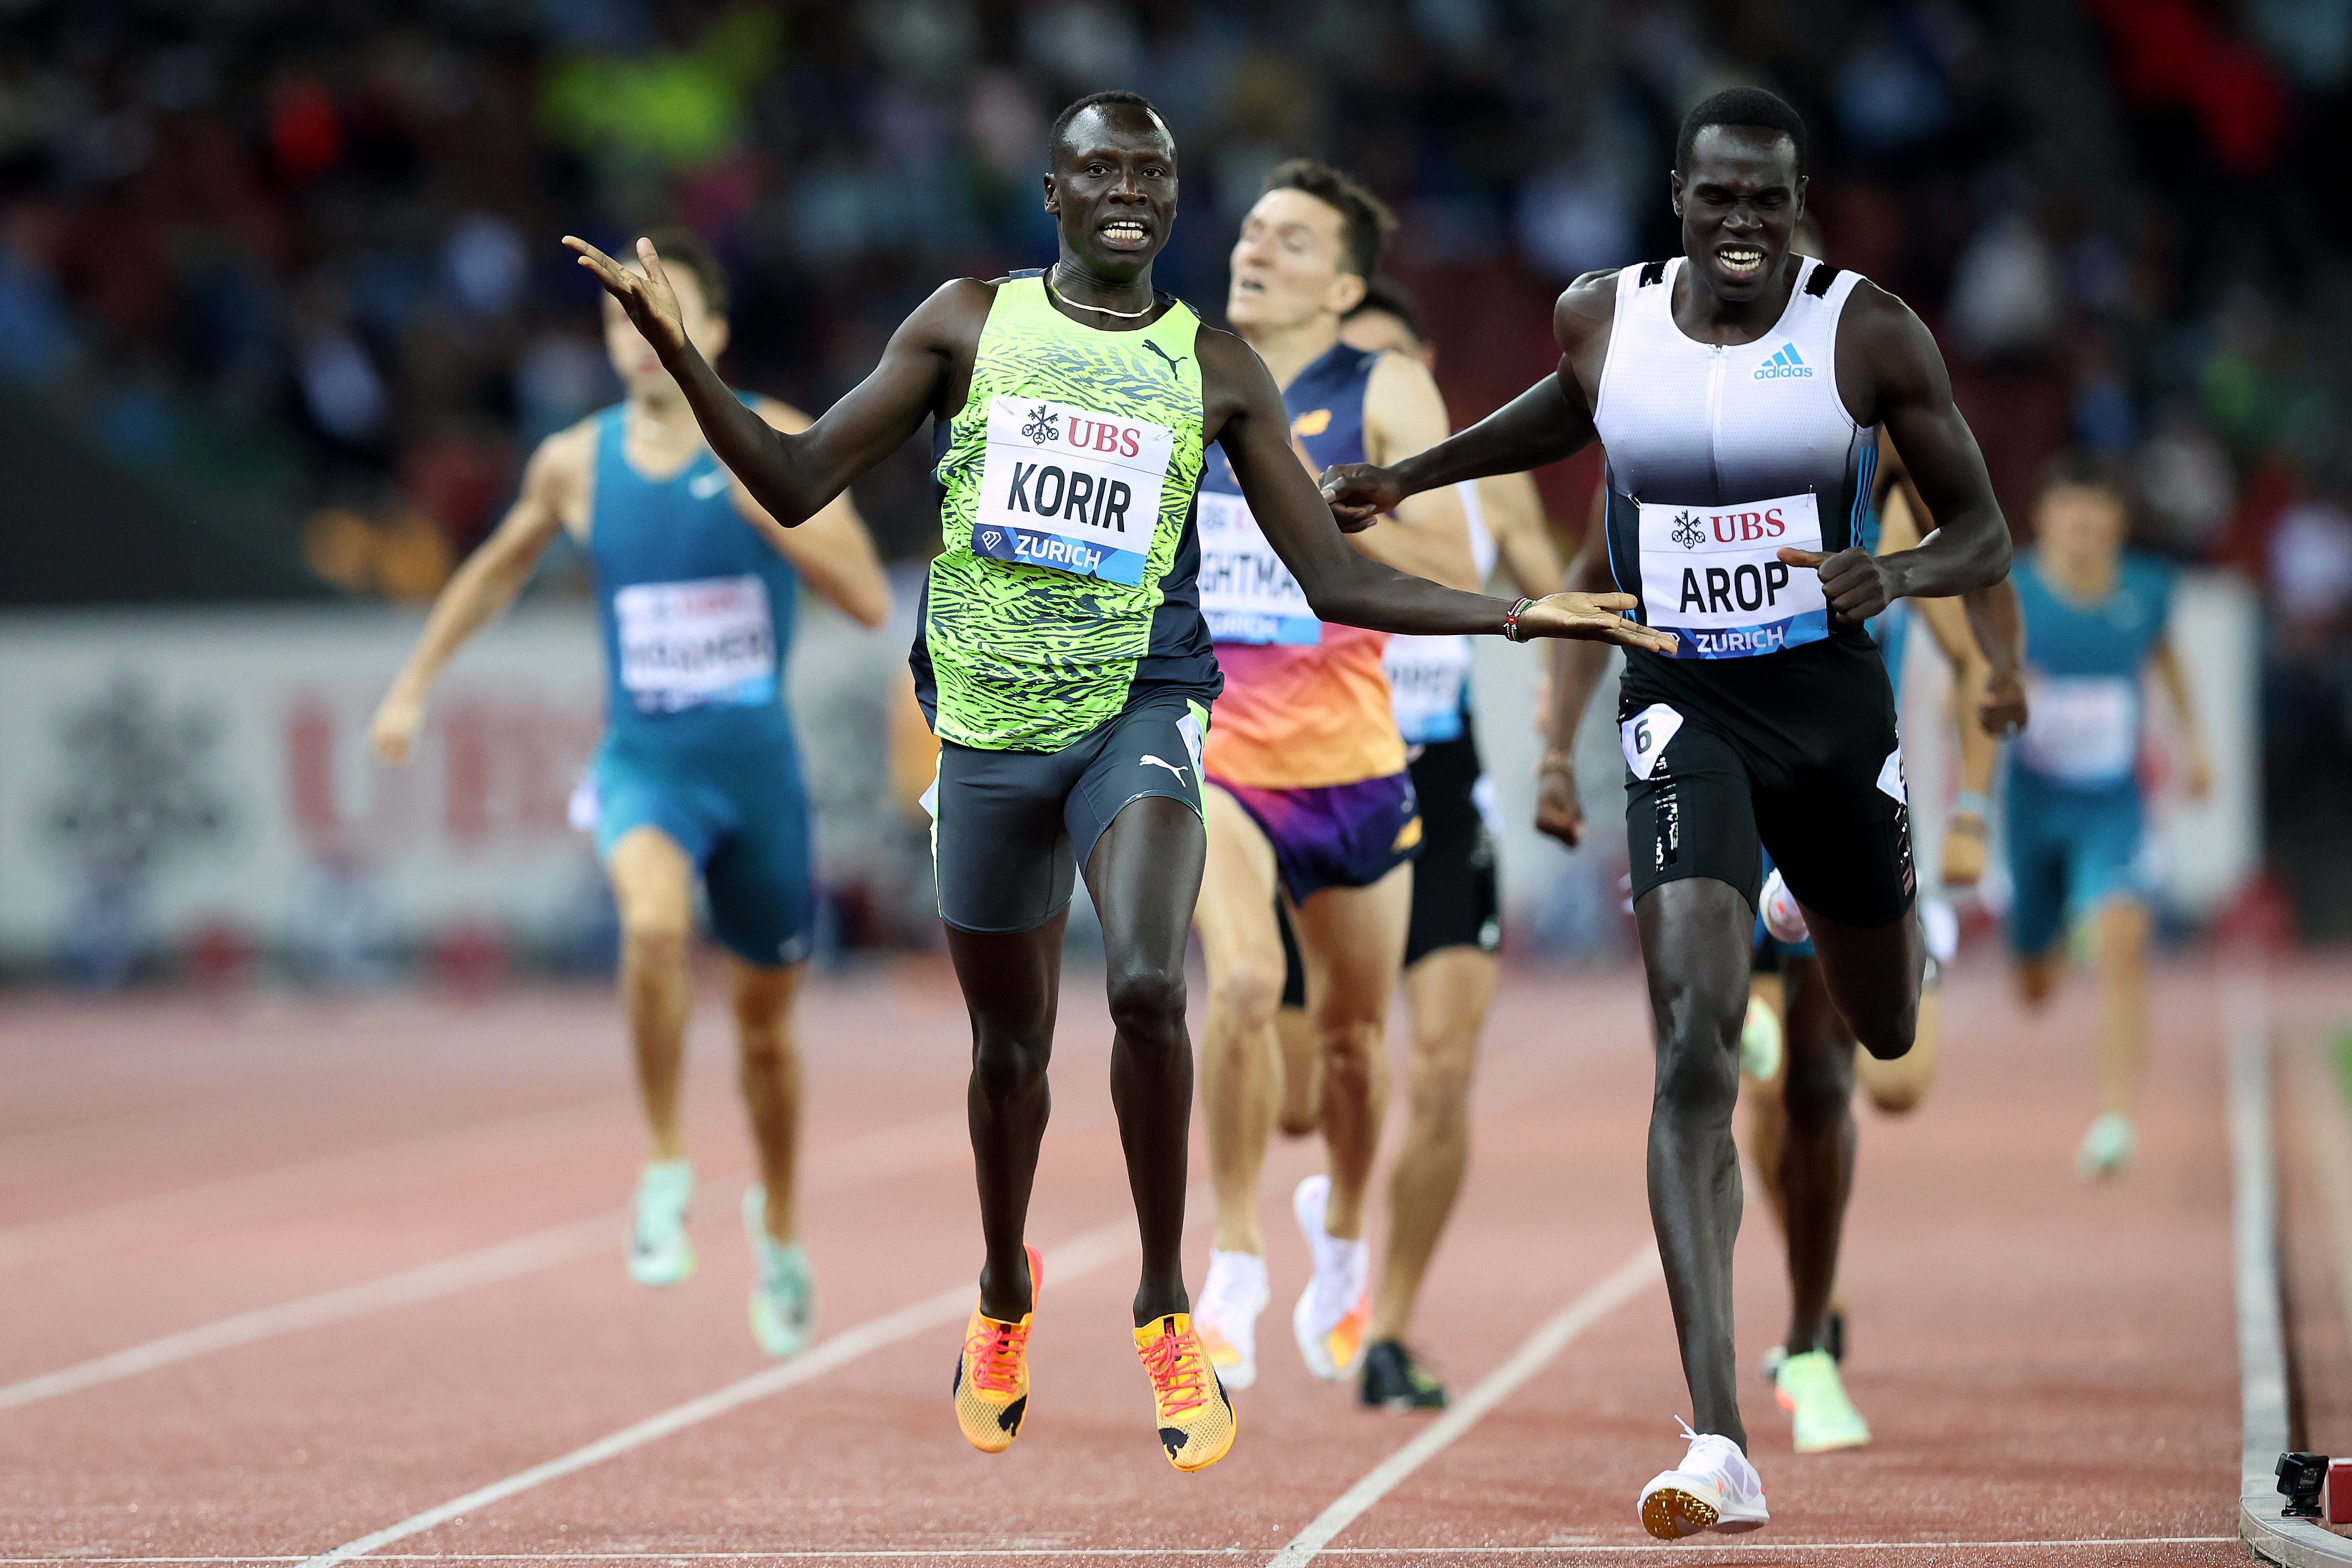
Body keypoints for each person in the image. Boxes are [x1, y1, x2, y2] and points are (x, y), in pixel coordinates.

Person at [567, 91, 1668, 1474]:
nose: (1128, 189)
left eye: (1151, 169)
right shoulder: (965, 323)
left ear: (1168, 196)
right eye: (1100, 168)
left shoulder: (1211, 365)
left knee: (1152, 981)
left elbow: (1331, 574)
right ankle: (1001, 1289)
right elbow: (793, 481)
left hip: (1138, 707)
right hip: (985, 729)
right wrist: (678, 352)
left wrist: (1516, 620)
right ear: (1054, 192)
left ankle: (1162, 1303)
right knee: (1009, 1056)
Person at [1323, 87, 2022, 1538]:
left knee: (1883, 1027)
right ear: (1677, 199)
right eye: (1720, 200)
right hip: (1682, 702)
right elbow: (1557, 418)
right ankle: (1717, 1431)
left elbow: (1982, 528)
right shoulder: (1605, 316)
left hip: (1826, 706)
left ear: (1795, 199)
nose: (1745, 225)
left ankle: (1811, 901)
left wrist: (1888, 579)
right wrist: (1411, 473)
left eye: (1769, 201)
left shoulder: (1866, 331)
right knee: (1693, 1044)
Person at [368, 228, 891, 1361]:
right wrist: (412, 684)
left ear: (709, 333)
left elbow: (861, 596)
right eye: (620, 318)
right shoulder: (573, 460)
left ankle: (783, 1225)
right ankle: (665, 1164)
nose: (639, 335)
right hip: (645, 764)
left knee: (765, 1038)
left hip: (758, 777)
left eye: (660, 312)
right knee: (651, 927)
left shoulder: (777, 439)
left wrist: (778, 518)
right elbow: (499, 565)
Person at [1186, 163, 1479, 1402]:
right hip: (1218, 754)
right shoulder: (1180, 366)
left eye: (1291, 240)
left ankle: (1343, 1232)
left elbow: (1448, 554)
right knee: (1243, 981)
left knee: (1357, 1055)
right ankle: (1235, 1260)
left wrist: (1328, 510)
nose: (1256, 248)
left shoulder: (1384, 386)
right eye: (1252, 229)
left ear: (1343, 282)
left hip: (1356, 767)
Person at [1268, 275, 1570, 1412]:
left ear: (1424, 373)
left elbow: (1556, 595)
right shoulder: (1284, 473)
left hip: (1438, 783)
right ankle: (1332, 1209)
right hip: (1314, 787)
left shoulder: (1488, 486)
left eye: (1393, 367)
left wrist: (1560, 691)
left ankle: (1386, 1323)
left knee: (1441, 1070)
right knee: (1303, 1096)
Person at [2006, 453, 2210, 1178]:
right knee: (2033, 987)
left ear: (2118, 525)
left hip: (2111, 803)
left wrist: (2197, 746)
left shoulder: (2148, 592)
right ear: (2044, 522)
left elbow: (2167, 658)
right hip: (2031, 806)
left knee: (2123, 939)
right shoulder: (2014, 593)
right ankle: (2053, 926)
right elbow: (1965, 696)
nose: (2085, 533)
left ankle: (2117, 1115)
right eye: (2071, 519)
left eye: (2098, 520)